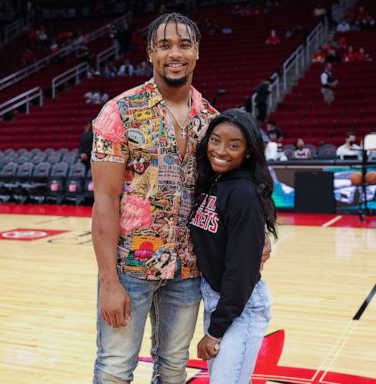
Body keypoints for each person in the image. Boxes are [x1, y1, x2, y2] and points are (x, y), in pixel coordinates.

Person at [91, 12, 271, 384]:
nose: (175, 53)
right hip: (131, 270)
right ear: (150, 53)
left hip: (189, 272)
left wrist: (260, 232)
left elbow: (235, 189)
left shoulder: (212, 120)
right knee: (114, 368)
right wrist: (109, 282)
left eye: (184, 44)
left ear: (197, 53)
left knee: (173, 368)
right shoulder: (119, 112)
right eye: (165, 44)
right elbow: (105, 201)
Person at [189, 109, 277, 383]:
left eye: (234, 145)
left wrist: (215, 331)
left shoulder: (243, 194)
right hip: (219, 301)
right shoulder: (213, 183)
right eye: (215, 140)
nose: (221, 150)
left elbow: (240, 272)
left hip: (240, 306)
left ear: (248, 151)